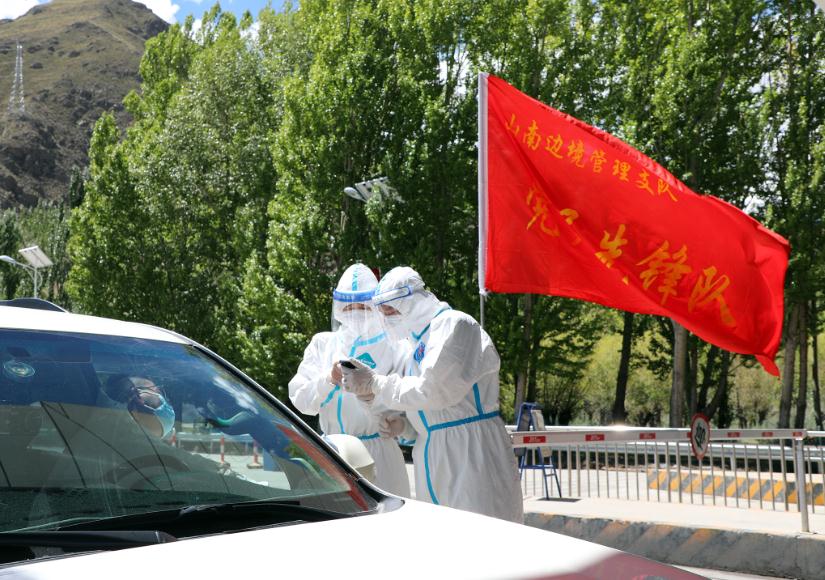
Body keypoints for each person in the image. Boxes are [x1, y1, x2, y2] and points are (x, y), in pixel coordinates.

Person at [340, 266, 523, 523]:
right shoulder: (415, 343)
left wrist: (376, 383)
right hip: (433, 449)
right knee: (442, 532)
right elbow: (427, 407)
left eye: (391, 310)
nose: (387, 317)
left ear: (413, 300)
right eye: (383, 312)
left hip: (470, 451)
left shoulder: (454, 325)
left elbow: (434, 391)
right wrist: (406, 426)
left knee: (478, 527)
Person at [289, 263, 411, 497]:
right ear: (338, 308)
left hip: (379, 453)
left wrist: (373, 397)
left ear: (375, 306)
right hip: (332, 452)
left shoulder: (395, 345)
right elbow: (302, 401)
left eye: (362, 306)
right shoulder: (323, 344)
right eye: (349, 307)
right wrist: (328, 379)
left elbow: (406, 402)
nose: (355, 312)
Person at [103, 375, 176, 439]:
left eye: (140, 412)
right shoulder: (157, 368)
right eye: (150, 404)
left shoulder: (103, 404)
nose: (140, 402)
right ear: (158, 391)